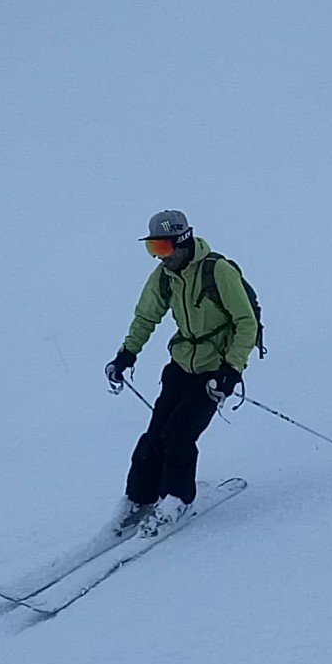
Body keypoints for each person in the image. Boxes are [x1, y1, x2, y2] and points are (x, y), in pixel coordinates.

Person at [105, 211, 259, 538]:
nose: (158, 257)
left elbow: (247, 323)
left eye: (162, 248)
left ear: (182, 242)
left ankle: (178, 500)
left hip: (214, 372)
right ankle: (138, 500)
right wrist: (126, 354)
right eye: (153, 250)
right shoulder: (165, 277)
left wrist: (232, 369)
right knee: (154, 436)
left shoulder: (218, 272)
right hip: (180, 366)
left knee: (178, 436)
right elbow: (146, 316)